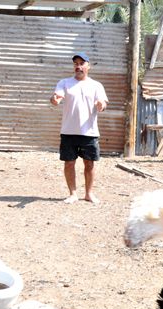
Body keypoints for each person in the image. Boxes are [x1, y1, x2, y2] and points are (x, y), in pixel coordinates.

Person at [50, 52, 108, 204]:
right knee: (69, 163)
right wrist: (54, 99)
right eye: (76, 63)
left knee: (89, 164)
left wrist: (101, 105)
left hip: (89, 132)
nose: (78, 66)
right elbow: (56, 97)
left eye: (82, 63)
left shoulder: (96, 86)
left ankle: (89, 194)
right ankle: (73, 194)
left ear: (88, 66)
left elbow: (102, 102)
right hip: (68, 131)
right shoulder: (64, 83)